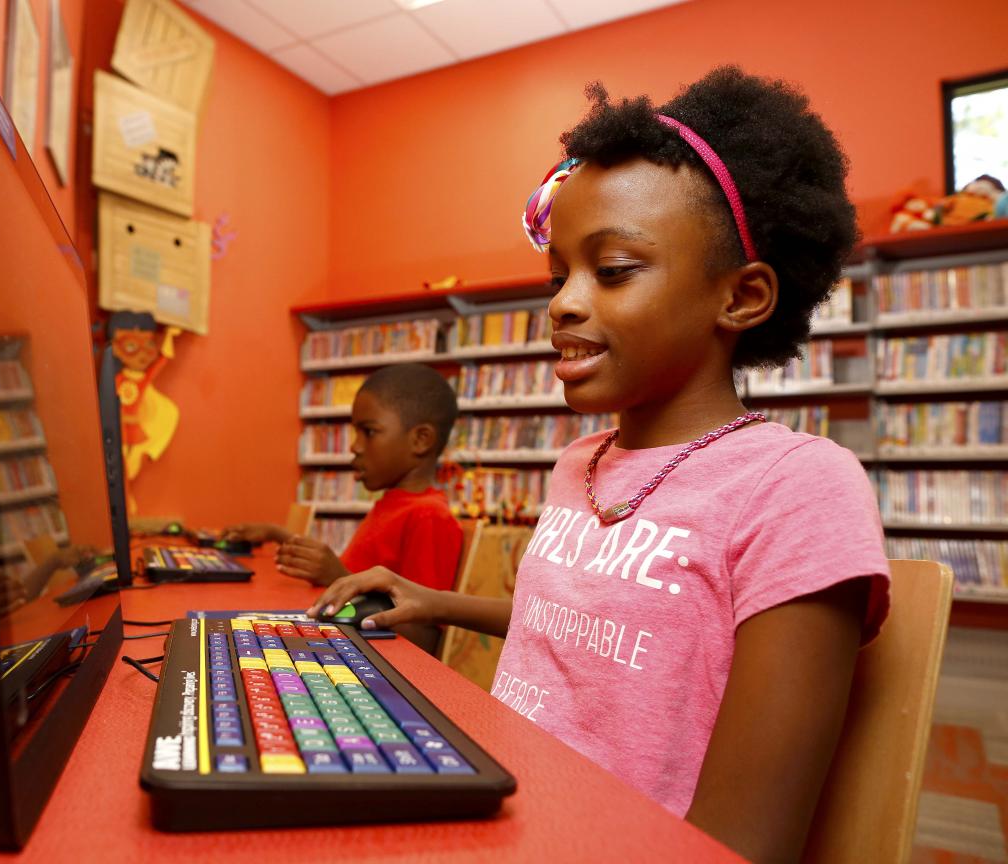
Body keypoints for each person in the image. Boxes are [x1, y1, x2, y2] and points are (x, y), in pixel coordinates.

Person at [309, 67, 890, 862]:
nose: (563, 304)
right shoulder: (580, 461)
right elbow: (592, 625)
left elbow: (741, 843)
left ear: (743, 297)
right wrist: (432, 600)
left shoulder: (796, 488)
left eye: (612, 271)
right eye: (558, 277)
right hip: (492, 806)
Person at [226, 363, 463, 594]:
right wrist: (275, 533)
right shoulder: (395, 504)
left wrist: (338, 577)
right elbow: (354, 571)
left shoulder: (429, 517)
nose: (355, 446)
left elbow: (423, 630)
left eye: (368, 432)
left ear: (421, 440)